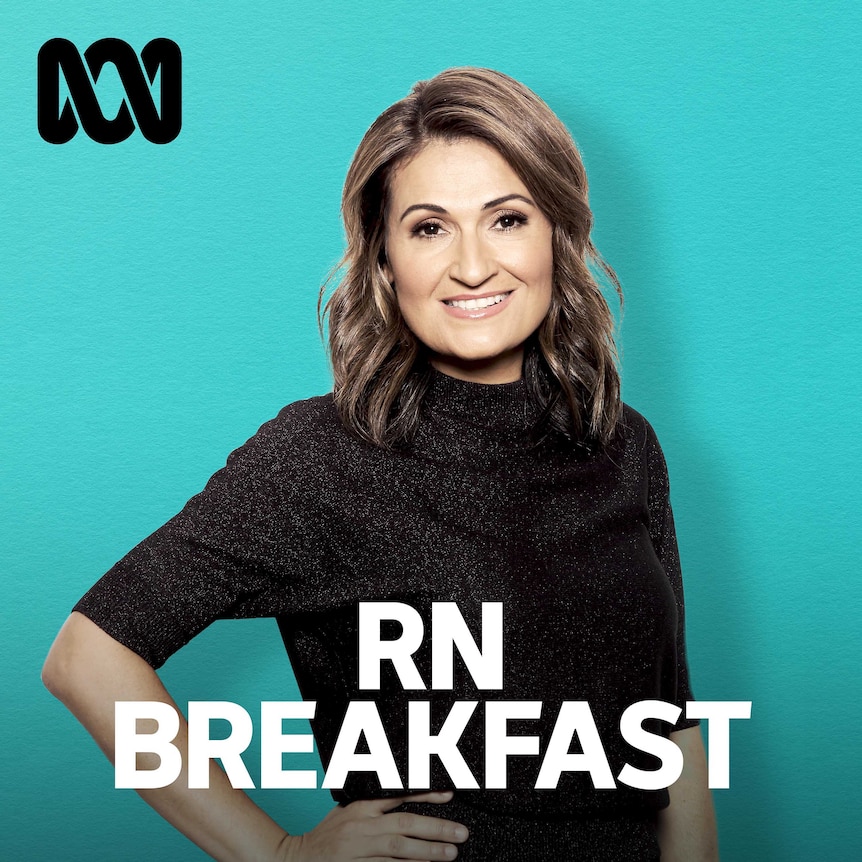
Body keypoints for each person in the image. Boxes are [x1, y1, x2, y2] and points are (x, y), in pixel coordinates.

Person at [43, 67, 718, 861]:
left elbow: (669, 721)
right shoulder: (322, 457)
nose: (473, 266)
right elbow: (88, 657)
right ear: (386, 259)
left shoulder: (623, 443)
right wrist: (279, 853)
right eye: (430, 228)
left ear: (558, 238)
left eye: (507, 219)